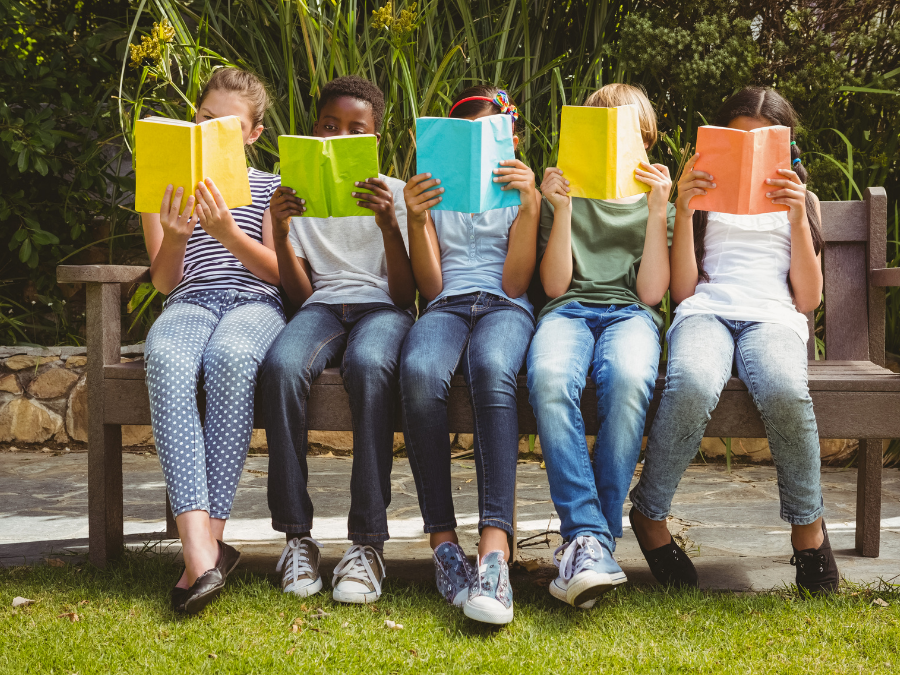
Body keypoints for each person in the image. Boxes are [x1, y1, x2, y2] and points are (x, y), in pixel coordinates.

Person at [628, 87, 838, 594]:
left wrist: (794, 217)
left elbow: (807, 299)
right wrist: (682, 209)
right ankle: (649, 516)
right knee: (694, 381)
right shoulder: (703, 201)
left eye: (761, 144)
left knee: (786, 389)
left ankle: (808, 529)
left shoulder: (800, 201)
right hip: (708, 311)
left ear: (786, 149)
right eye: (736, 142)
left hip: (773, 318)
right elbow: (681, 292)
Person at [261, 75, 416, 605]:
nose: (340, 135)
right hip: (321, 306)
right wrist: (280, 234)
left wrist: (388, 225)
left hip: (381, 308)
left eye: (356, 129)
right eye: (330, 126)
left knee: (372, 364)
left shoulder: (393, 193)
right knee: (282, 365)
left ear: (374, 138)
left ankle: (367, 544)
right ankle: (296, 537)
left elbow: (403, 295)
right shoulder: (296, 196)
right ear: (314, 131)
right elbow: (300, 296)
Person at [141, 67, 285, 614]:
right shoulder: (163, 188)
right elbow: (164, 281)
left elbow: (278, 275)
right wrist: (177, 236)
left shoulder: (270, 188)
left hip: (255, 303)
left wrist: (228, 233)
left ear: (250, 134)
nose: (208, 128)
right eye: (202, 118)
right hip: (191, 300)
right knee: (165, 355)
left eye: (224, 124)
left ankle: (203, 552)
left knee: (230, 358)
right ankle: (202, 551)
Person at [527, 83, 674, 608]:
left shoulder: (656, 198)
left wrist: (658, 212)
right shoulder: (563, 192)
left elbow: (652, 294)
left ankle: (591, 540)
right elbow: (554, 287)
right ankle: (591, 537)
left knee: (631, 378)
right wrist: (562, 209)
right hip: (568, 309)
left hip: (630, 313)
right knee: (547, 378)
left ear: (646, 137)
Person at [400, 87, 539, 625]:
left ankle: (494, 553)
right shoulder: (438, 192)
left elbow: (516, 281)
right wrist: (417, 219)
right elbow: (432, 286)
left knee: (492, 369)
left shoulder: (519, 194)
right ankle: (443, 545)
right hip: (447, 304)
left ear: (509, 138)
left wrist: (527, 208)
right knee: (418, 372)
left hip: (505, 303)